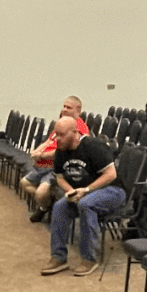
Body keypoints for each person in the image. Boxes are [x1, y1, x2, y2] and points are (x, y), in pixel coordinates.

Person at [40, 119, 120, 277]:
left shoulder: (94, 146)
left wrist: (87, 190)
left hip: (112, 190)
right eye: (56, 134)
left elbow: (111, 174)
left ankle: (89, 259)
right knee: (60, 206)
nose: (57, 139)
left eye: (61, 135)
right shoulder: (61, 151)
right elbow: (60, 178)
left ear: (75, 133)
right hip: (82, 192)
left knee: (86, 204)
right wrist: (71, 192)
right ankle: (58, 257)